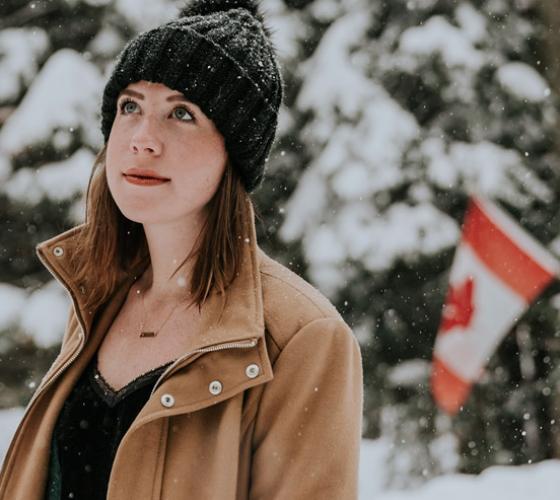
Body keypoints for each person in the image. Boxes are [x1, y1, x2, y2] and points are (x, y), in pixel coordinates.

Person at [0, 0, 363, 498]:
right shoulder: (98, 295)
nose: (143, 139)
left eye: (181, 113)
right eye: (130, 106)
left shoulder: (302, 337)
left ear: (232, 153)